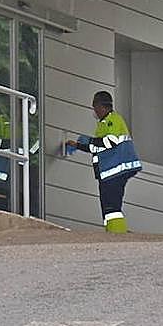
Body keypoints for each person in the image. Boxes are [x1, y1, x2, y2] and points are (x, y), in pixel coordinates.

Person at [64, 91, 142, 233]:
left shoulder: (112, 119)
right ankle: (112, 232)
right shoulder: (103, 123)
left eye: (94, 107)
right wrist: (79, 145)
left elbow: (110, 141)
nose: (94, 111)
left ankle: (117, 234)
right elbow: (97, 147)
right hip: (108, 172)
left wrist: (89, 141)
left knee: (112, 207)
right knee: (107, 206)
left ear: (101, 106)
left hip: (115, 170)